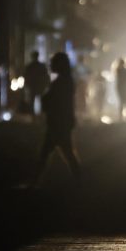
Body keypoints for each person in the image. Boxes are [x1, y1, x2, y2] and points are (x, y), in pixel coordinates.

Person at [32, 52, 81, 186]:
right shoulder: (65, 80)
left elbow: (52, 100)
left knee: (47, 153)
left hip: (58, 122)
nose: (50, 65)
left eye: (52, 62)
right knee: (66, 152)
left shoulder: (61, 82)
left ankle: (35, 182)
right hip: (62, 121)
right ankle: (80, 179)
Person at [23, 51, 51, 118]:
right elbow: (46, 76)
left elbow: (26, 77)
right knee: (40, 100)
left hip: (33, 86)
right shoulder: (41, 66)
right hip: (39, 86)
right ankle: (39, 114)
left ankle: (33, 115)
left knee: (32, 101)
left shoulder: (30, 67)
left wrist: (26, 85)